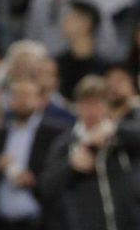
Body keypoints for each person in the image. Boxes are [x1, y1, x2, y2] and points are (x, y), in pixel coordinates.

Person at [41, 76, 140, 230]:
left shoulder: (122, 136)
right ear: (77, 107)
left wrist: (115, 129)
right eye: (86, 104)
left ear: (107, 105)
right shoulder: (66, 143)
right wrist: (71, 166)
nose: (92, 111)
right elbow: (47, 187)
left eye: (97, 104)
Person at [0, 79, 69, 230]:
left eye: (28, 95)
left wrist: (34, 181)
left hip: (40, 221)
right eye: (17, 95)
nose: (22, 100)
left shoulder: (55, 133)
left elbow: (61, 174)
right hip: (1, 222)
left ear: (41, 100)